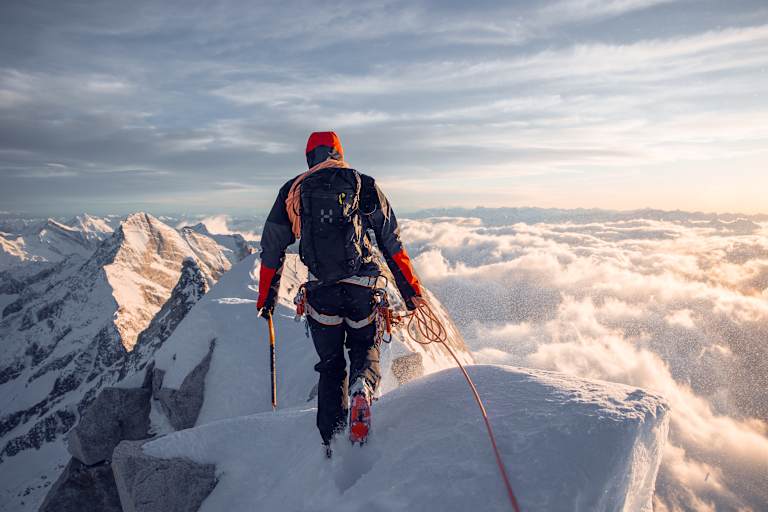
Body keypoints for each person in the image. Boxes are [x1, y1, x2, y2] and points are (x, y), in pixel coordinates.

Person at [256, 131, 424, 453]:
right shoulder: (363, 184)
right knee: (364, 348)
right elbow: (391, 241)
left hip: (321, 296)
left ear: (309, 157)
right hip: (363, 289)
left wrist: (267, 300)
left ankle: (331, 441)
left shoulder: (293, 190)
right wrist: (410, 292)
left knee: (331, 366)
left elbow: (272, 249)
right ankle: (363, 388)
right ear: (339, 153)